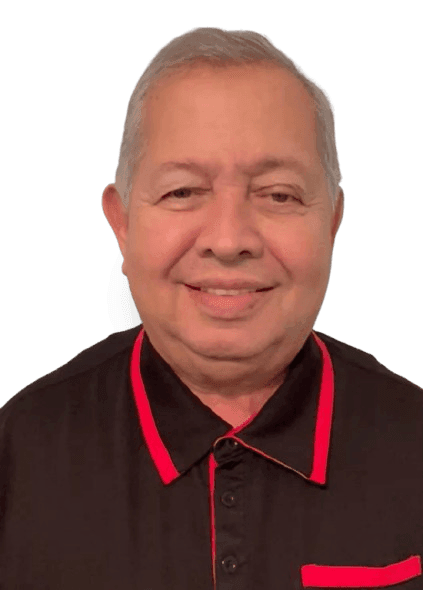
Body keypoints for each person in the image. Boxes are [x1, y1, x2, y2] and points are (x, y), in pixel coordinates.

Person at [1, 26, 422, 590]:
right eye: (183, 191)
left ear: (332, 223)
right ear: (122, 225)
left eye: (279, 194)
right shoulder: (18, 457)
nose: (229, 240)